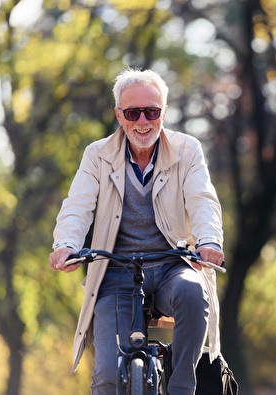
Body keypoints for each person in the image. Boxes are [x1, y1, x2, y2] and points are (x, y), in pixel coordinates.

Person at [48, 68, 224, 395]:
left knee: (193, 292)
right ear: (119, 115)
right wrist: (67, 245)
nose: (143, 120)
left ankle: (182, 387)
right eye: (132, 112)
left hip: (173, 264)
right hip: (116, 271)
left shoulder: (188, 150)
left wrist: (209, 241)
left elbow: (202, 199)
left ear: (164, 113)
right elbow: (77, 204)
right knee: (107, 376)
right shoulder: (97, 155)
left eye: (152, 111)